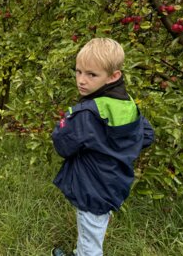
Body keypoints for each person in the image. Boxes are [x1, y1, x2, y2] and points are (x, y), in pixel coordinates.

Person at [51, 38, 155, 256]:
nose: (81, 80)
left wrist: (66, 123)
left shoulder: (88, 113)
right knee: (92, 230)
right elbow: (146, 136)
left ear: (113, 76)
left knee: (91, 242)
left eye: (91, 75)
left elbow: (62, 144)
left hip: (92, 187)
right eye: (78, 71)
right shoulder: (127, 104)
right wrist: (115, 151)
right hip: (114, 182)